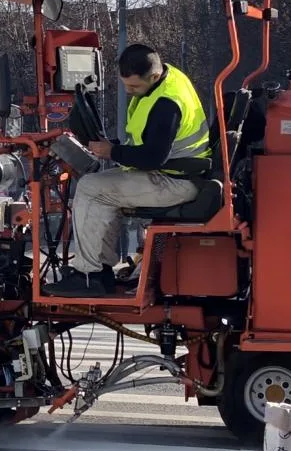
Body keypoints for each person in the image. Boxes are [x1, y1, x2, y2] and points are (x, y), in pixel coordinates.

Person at [57, 44, 213, 295]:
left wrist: (112, 152)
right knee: (100, 187)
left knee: (89, 188)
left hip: (176, 181)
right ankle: (99, 274)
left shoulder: (166, 103)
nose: (129, 92)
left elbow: (152, 157)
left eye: (134, 87)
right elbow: (148, 144)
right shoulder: (166, 80)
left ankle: (89, 276)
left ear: (152, 76)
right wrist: (112, 147)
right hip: (176, 174)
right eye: (125, 85)